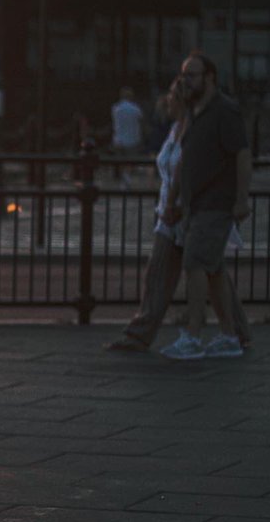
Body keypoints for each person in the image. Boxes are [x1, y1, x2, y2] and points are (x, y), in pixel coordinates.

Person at [105, 78, 249, 353]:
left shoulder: (196, 130)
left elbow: (192, 171)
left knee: (203, 271)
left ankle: (225, 332)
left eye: (172, 95)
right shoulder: (175, 129)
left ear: (182, 101)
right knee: (201, 271)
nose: (167, 100)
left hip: (187, 212)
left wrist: (178, 205)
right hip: (171, 213)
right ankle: (236, 332)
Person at [160, 51, 251, 360]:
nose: (185, 80)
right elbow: (185, 161)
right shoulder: (195, 111)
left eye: (192, 75)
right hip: (196, 205)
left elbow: (241, 154)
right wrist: (174, 201)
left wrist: (241, 199)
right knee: (212, 271)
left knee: (195, 264)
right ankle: (229, 336)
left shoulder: (225, 110)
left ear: (209, 78)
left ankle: (194, 336)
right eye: (184, 75)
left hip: (215, 203)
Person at [110, 85, 145, 186]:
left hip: (118, 139)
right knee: (130, 160)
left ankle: (124, 179)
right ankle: (127, 178)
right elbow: (141, 122)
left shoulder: (115, 108)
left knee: (121, 160)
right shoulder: (136, 109)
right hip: (132, 139)